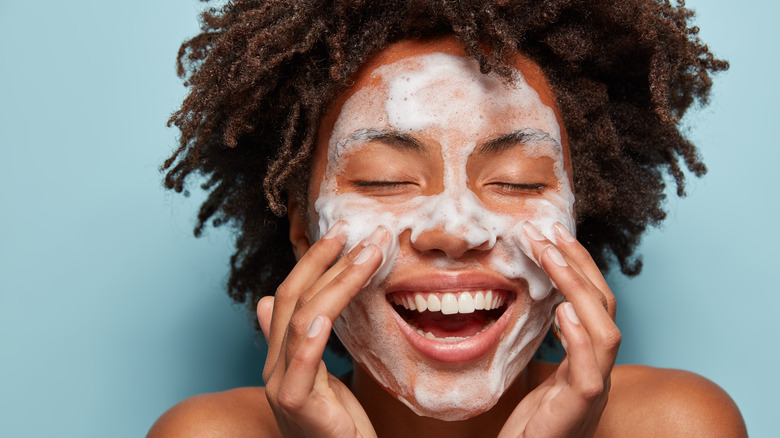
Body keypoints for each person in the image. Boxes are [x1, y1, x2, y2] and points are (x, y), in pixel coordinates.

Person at [149, 1, 746, 436]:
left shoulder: (677, 425)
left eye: (518, 181)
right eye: (385, 179)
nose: (455, 230)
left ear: (573, 220)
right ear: (304, 230)